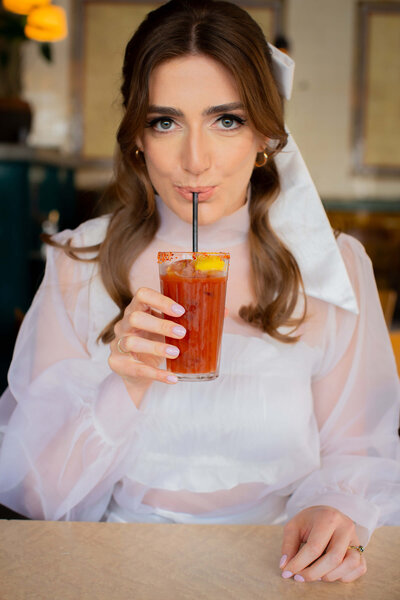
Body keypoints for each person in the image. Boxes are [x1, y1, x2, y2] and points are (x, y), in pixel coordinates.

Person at [0, 0, 399, 585]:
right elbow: (35, 497)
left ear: (264, 133)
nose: (195, 160)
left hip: (279, 569)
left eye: (226, 120)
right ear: (137, 136)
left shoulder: (329, 269)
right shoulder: (78, 262)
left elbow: (358, 451)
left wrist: (335, 507)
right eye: (165, 121)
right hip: (111, 572)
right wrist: (126, 384)